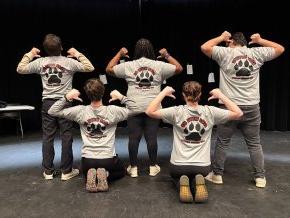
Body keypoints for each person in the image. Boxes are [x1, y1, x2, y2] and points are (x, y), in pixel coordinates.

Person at [200, 31, 285, 188]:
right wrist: (260, 40)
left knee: (223, 142)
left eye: (228, 42)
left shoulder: (225, 53)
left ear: (231, 42)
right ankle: (260, 178)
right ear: (245, 42)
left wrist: (220, 38)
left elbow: (204, 47)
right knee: (254, 143)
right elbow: (280, 49)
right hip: (252, 106)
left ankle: (217, 175)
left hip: (229, 107)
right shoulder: (256, 53)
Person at [146, 82, 242, 203]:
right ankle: (198, 181)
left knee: (176, 177)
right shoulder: (210, 112)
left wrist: (163, 92)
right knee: (198, 174)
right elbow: (239, 113)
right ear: (200, 94)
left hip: (178, 166)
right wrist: (221, 95)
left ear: (183, 95)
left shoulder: (176, 111)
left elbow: (149, 111)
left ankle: (181, 182)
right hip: (203, 167)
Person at [17, 33, 95, 180]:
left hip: (48, 103)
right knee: (66, 136)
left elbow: (20, 69)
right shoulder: (68, 62)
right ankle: (66, 172)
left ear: (45, 49)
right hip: (65, 102)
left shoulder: (40, 62)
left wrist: (30, 54)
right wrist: (77, 53)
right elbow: (89, 67)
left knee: (48, 137)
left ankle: (48, 172)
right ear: (61, 47)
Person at [106, 38, 183, 177]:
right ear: (151, 51)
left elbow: (109, 69)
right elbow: (179, 68)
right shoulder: (159, 65)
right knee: (151, 137)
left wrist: (120, 54)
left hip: (133, 107)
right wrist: (166, 55)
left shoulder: (128, 65)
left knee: (133, 138)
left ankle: (134, 168)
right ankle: (153, 167)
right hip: (152, 108)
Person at [48, 78, 139, 192]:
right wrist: (121, 97)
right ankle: (105, 174)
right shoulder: (113, 111)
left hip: (87, 161)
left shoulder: (80, 111)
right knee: (121, 171)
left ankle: (90, 175)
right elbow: (137, 109)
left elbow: (52, 111)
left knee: (86, 172)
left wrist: (67, 97)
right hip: (108, 159)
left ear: (87, 94)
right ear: (103, 92)